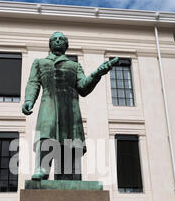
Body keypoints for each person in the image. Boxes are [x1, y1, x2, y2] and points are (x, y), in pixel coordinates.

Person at [22, 31, 118, 180]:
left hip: (70, 109)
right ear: (50, 44)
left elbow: (83, 87)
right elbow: (33, 83)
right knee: (46, 133)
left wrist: (97, 74)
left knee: (68, 142)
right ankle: (42, 168)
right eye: (55, 39)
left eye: (61, 39)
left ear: (66, 45)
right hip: (49, 103)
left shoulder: (74, 66)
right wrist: (29, 100)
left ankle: (66, 176)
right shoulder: (40, 63)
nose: (58, 41)